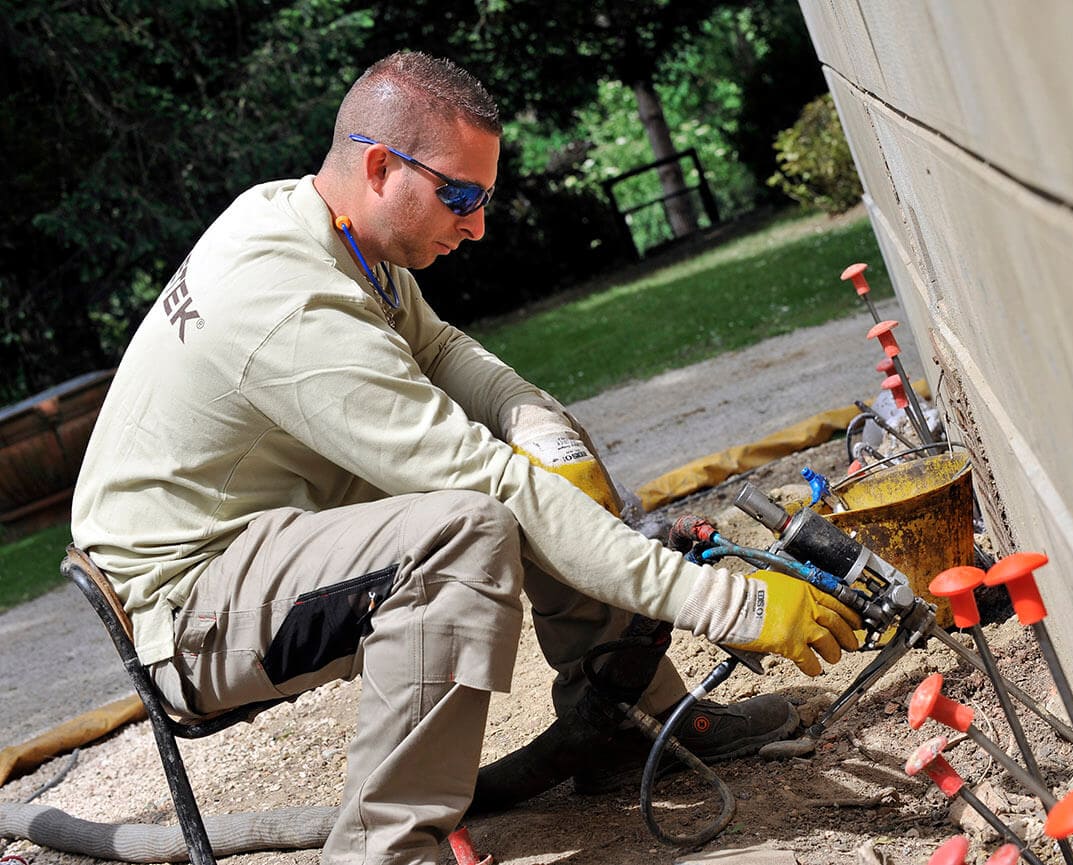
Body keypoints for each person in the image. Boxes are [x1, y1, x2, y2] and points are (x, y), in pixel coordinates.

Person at [71, 51, 861, 864]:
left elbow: (441, 349)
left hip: (256, 546)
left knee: (538, 448)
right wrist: (731, 605)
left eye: (483, 199)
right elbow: (490, 487)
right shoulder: (291, 302)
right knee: (463, 531)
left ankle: (624, 718)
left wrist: (539, 424)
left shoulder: (325, 228)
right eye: (460, 196)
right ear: (380, 166)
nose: (477, 225)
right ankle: (387, 853)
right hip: (188, 609)